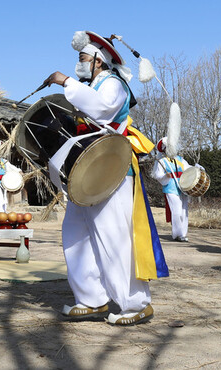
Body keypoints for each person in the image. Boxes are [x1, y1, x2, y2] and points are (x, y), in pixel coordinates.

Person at [44, 30, 167, 326]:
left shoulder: (114, 84)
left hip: (112, 169)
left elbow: (102, 108)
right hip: (84, 170)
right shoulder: (90, 85)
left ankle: (135, 303)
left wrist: (66, 82)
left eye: (83, 58)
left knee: (113, 235)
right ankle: (91, 298)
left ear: (99, 60)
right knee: (76, 236)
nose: (80, 63)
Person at [150, 138, 191, 242]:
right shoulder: (162, 161)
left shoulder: (181, 160)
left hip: (182, 188)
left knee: (184, 211)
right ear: (165, 149)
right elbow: (158, 175)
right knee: (176, 211)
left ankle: (183, 233)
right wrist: (166, 176)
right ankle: (178, 234)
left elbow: (188, 170)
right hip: (170, 188)